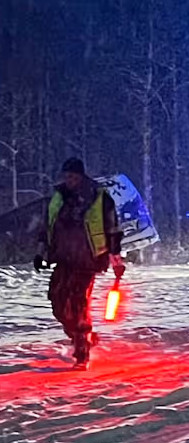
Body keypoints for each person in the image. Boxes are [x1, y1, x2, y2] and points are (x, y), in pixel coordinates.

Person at [34, 158, 124, 369]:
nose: (69, 180)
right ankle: (80, 335)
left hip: (87, 259)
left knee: (78, 303)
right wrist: (40, 253)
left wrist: (116, 258)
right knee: (57, 301)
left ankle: (82, 351)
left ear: (82, 176)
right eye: (67, 176)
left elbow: (113, 229)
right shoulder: (58, 197)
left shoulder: (98, 198)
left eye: (73, 176)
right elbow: (46, 226)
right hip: (63, 258)